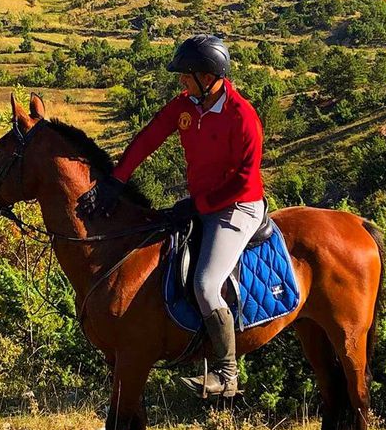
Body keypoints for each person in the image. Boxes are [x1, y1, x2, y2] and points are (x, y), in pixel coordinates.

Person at [77, 34, 265, 398]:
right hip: (202, 202)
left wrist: (199, 205)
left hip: (237, 206)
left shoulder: (242, 116)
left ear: (208, 77)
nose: (180, 82)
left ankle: (227, 374)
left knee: (206, 284)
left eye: (186, 76)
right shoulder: (185, 106)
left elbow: (245, 180)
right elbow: (148, 139)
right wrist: (116, 180)